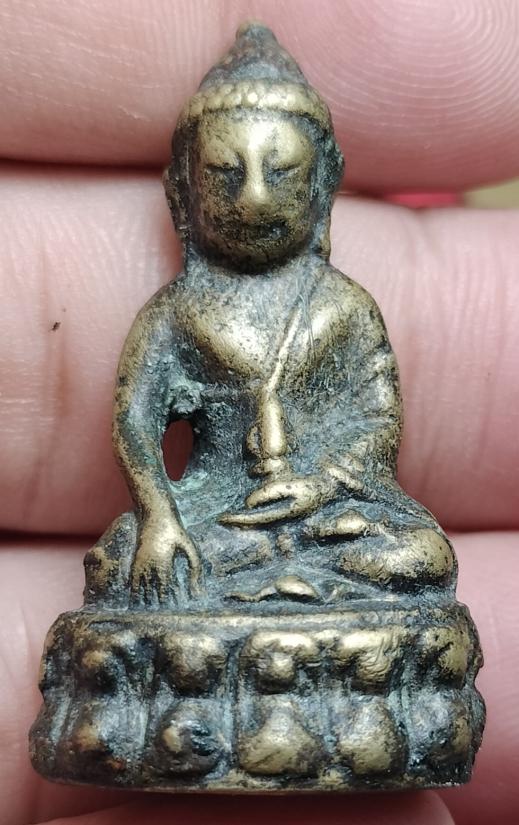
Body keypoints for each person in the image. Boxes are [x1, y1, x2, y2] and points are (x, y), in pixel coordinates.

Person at [0, 2, 518, 824]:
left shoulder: (343, 307)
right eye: (225, 173)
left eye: (281, 172)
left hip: (322, 520)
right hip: (214, 525)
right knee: (127, 557)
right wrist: (160, 515)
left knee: (418, 555)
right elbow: (135, 420)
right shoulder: (176, 312)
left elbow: (374, 425)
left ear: (321, 186)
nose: (253, 196)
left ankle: (224, 676)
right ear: (183, 190)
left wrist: (319, 489)